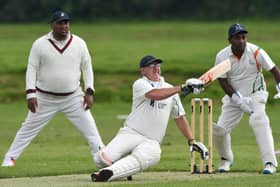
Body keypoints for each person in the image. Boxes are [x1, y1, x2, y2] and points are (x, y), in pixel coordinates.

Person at [1, 10, 104, 167]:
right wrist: (30, 94)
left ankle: (103, 160)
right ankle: (9, 159)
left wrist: (89, 92)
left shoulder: (79, 43)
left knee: (91, 129)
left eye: (66, 23)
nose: (64, 26)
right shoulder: (40, 44)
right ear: (52, 25)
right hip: (44, 98)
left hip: (73, 97)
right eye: (60, 23)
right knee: (27, 129)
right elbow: (32, 69)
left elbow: (87, 68)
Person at [90, 55, 207, 182]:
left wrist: (191, 140)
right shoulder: (140, 84)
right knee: (101, 160)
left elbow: (179, 117)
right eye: (152, 66)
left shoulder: (171, 89)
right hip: (131, 133)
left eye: (158, 66)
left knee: (153, 154)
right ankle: (119, 166)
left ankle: (109, 173)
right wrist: (183, 88)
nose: (156, 69)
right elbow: (156, 95)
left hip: (152, 140)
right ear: (143, 70)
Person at [213, 23, 280, 174]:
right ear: (230, 40)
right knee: (219, 130)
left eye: (243, 37)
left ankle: (270, 163)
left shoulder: (255, 51)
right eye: (238, 38)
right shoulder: (222, 56)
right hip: (233, 96)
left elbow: (274, 70)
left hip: (256, 93)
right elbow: (222, 80)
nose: (242, 40)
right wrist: (237, 99)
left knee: (258, 120)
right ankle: (226, 159)